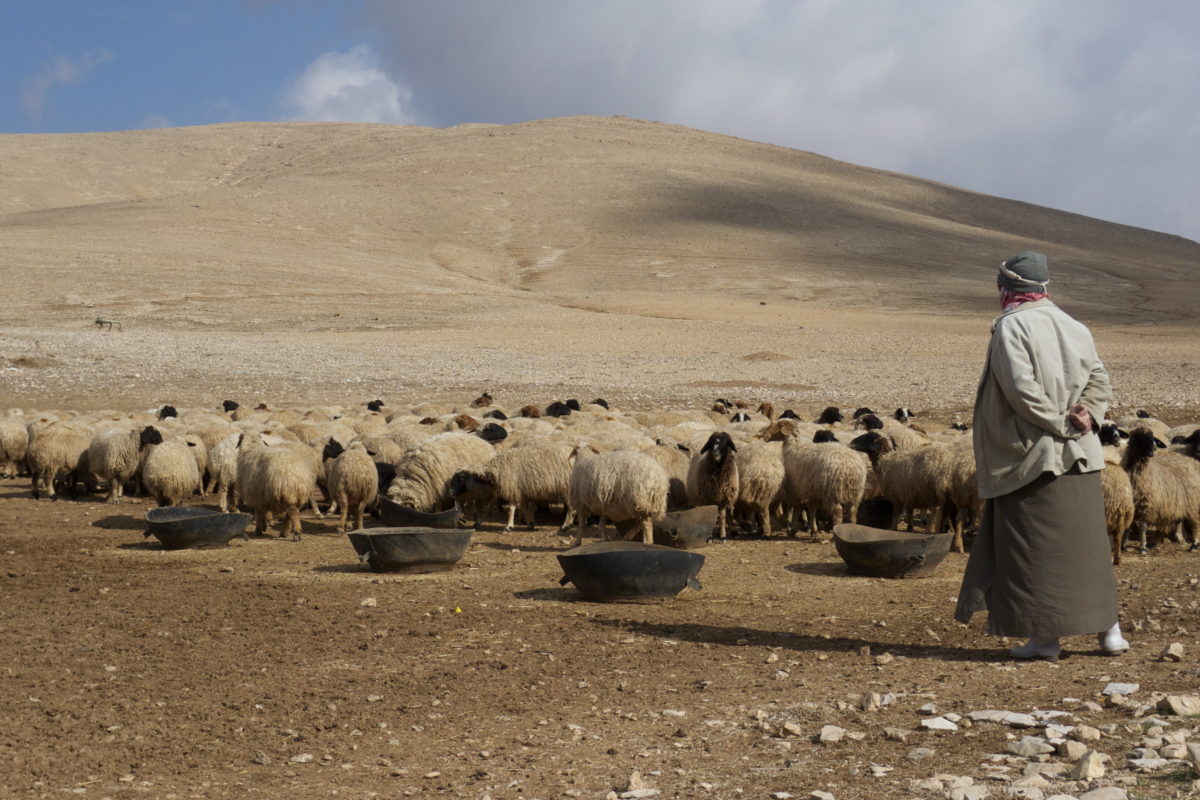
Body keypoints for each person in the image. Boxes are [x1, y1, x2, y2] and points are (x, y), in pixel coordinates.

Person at [954, 251, 1128, 661]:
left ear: (1005, 288)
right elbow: (1099, 379)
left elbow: (1021, 391)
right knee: (1087, 548)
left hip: (1033, 457)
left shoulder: (1011, 327)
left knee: (1035, 551)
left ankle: (1045, 641)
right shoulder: (1075, 325)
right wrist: (1089, 413)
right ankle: (1110, 632)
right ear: (1043, 288)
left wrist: (1061, 423)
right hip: (1082, 456)